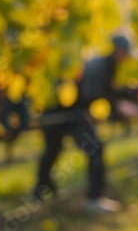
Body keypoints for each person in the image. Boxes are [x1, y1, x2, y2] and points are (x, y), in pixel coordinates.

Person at [34, 35, 131, 213]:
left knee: (82, 148)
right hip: (63, 113)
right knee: (59, 150)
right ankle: (44, 190)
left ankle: (90, 196)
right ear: (119, 50)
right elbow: (94, 93)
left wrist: (127, 98)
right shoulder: (100, 64)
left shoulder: (104, 63)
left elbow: (108, 91)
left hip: (70, 113)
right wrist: (118, 106)